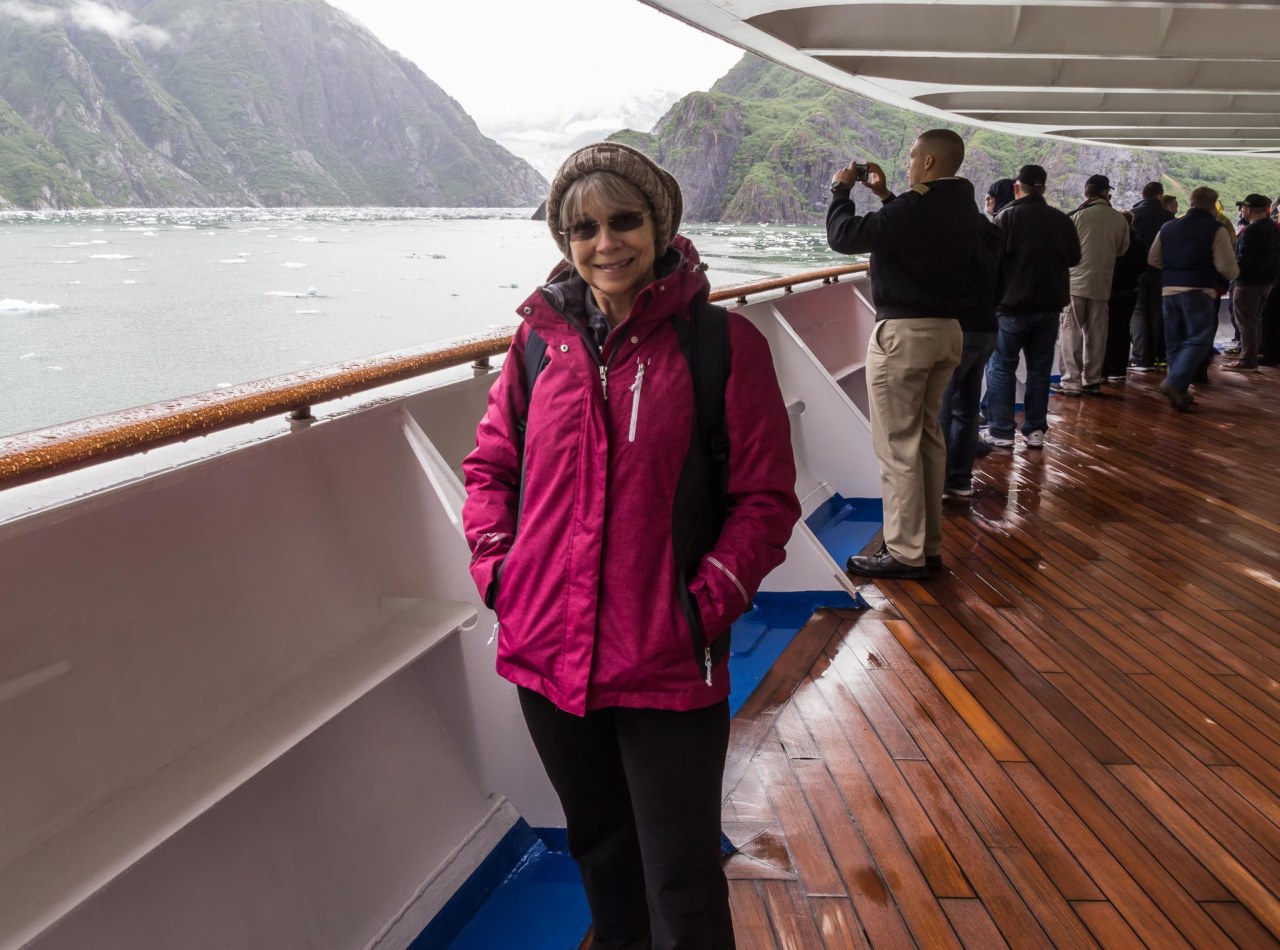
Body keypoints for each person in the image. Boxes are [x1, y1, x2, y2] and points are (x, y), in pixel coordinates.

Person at [462, 142, 800, 950]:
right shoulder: (538, 345)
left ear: (660, 227)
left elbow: (763, 500)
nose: (605, 243)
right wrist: (502, 574)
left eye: (623, 221)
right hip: (548, 647)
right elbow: (490, 467)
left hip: (666, 656)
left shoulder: (721, 344)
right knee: (602, 851)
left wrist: (699, 607)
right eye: (584, 228)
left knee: (681, 874)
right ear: (565, 240)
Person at [827, 129, 998, 578]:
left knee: (898, 446)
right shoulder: (964, 209)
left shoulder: (916, 207)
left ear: (929, 163)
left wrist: (841, 191)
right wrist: (886, 196)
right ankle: (928, 546)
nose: (907, 164)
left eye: (911, 157)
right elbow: (914, 231)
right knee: (926, 441)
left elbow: (843, 236)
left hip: (904, 336)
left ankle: (904, 552)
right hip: (948, 332)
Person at [983, 164, 1081, 450]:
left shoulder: (1006, 218)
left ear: (1017, 187)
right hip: (1049, 306)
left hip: (1011, 306)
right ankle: (1035, 430)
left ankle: (1001, 430)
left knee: (1002, 367)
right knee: (1039, 369)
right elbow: (1074, 258)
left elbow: (991, 261)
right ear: (1044, 188)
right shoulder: (1060, 220)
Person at [1148, 186, 1239, 410]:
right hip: (1199, 290)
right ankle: (1174, 382)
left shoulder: (1168, 227)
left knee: (1174, 343)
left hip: (1169, 291)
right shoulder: (1216, 230)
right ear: (1213, 205)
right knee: (1199, 339)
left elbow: (1153, 259)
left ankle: (1179, 391)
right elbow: (1227, 268)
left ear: (1191, 202)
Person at [1055, 173, 1130, 396]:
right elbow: (1122, 250)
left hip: (1075, 284)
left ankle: (1071, 381)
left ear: (1086, 192)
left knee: (1070, 332)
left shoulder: (1077, 216)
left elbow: (1064, 249)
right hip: (1102, 284)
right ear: (1107, 193)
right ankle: (1092, 380)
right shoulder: (1119, 219)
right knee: (1097, 334)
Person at [1224, 193, 1280, 371]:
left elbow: (1244, 261)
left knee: (1246, 322)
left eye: (1243, 207)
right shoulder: (1273, 228)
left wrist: (1233, 273)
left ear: (1248, 209)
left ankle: (1247, 360)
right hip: (1268, 282)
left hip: (1248, 283)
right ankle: (1253, 356)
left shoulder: (1250, 231)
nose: (1242, 210)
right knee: (1256, 320)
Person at [1129, 182, 1174, 372]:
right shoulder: (1168, 217)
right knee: (1156, 311)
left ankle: (1141, 357)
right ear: (1159, 195)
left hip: (1137, 270)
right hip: (1160, 270)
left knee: (1138, 311)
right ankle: (1156, 354)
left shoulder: (1134, 214)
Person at [1105, 211, 1147, 382]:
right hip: (1130, 291)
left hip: (1111, 291)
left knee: (1108, 331)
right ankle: (1119, 369)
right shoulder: (1139, 245)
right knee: (1123, 330)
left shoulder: (1112, 242)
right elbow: (1143, 267)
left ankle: (1106, 368)